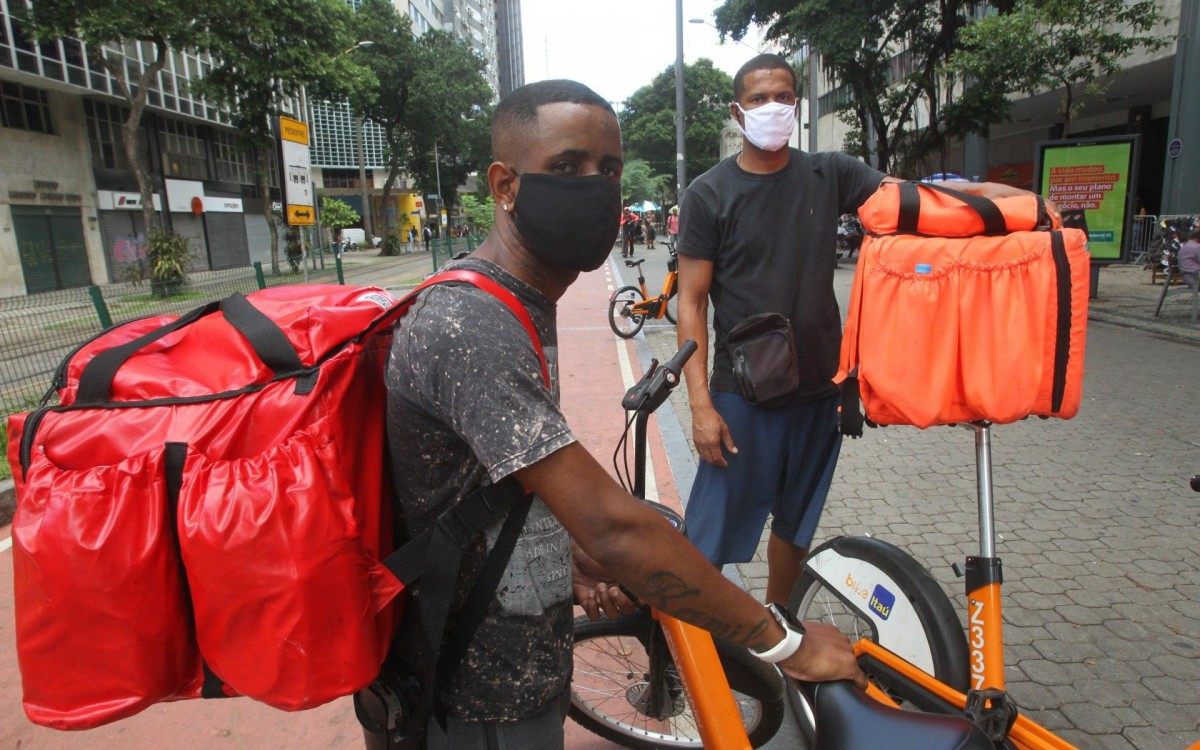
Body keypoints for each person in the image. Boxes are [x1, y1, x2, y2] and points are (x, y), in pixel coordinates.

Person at [368, 78, 864, 750]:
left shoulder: (518, 300)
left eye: (608, 170)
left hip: (514, 665)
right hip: (475, 692)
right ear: (505, 185)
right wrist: (784, 643)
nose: (595, 188)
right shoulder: (471, 324)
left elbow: (491, 479)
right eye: (566, 166)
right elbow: (614, 528)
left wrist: (561, 552)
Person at [675, 54, 1041, 607]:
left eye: (783, 96)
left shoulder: (829, 174)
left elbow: (919, 201)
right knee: (709, 536)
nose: (773, 107)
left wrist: (1008, 199)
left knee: (795, 526)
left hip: (821, 386)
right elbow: (691, 302)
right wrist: (700, 405)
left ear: (797, 105)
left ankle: (779, 628)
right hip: (743, 394)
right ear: (737, 110)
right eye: (758, 99)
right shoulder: (709, 194)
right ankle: (691, 642)